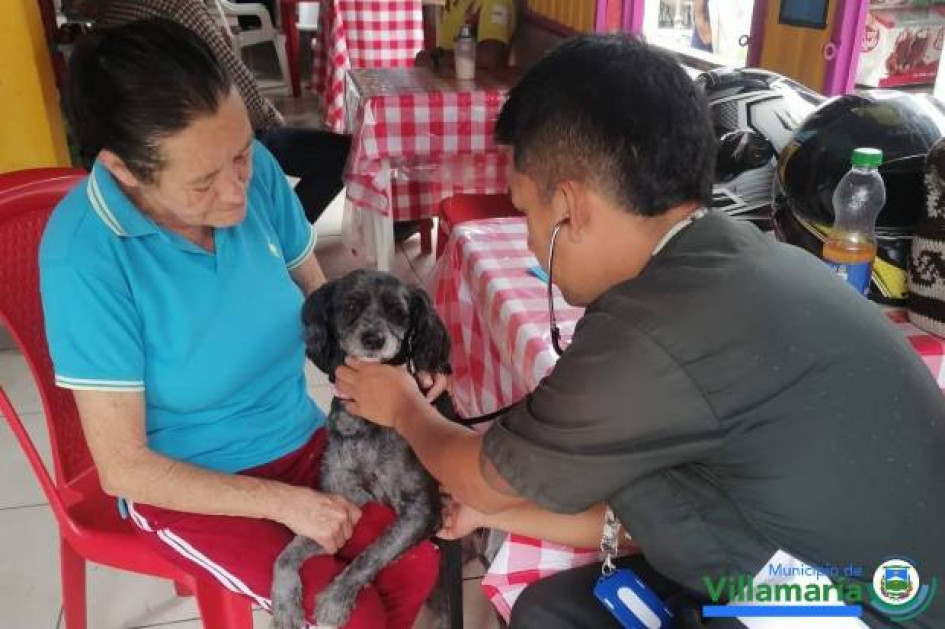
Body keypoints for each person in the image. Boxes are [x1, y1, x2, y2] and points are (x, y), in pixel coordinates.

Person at [333, 35, 945, 628]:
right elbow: (656, 506)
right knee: (546, 609)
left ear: (569, 209)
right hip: (819, 572)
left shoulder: (651, 330)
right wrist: (497, 504)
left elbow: (476, 474)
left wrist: (407, 409)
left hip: (855, 611)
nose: (525, 234)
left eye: (526, 211)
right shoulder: (729, 251)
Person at [40, 18, 444, 628]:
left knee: (415, 564)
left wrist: (390, 377)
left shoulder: (250, 176)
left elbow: (322, 294)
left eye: (241, 154)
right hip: (188, 482)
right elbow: (124, 466)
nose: (238, 190)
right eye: (204, 181)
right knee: (347, 615)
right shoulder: (85, 255)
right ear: (123, 170)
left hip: (301, 439)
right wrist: (290, 506)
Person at [71, 0, 350, 224]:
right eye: (203, 185)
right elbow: (231, 76)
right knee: (339, 155)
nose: (233, 194)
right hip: (188, 136)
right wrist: (267, 120)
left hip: (157, 143)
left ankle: (284, 233)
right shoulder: (173, 7)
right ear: (123, 170)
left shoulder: (104, 25)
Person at [418, 0, 520, 71]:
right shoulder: (455, 3)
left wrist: (435, 58)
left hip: (479, 98)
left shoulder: (495, 1)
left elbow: (489, 58)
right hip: (451, 90)